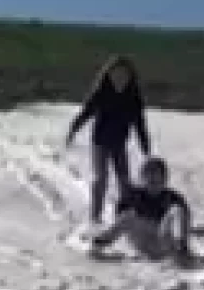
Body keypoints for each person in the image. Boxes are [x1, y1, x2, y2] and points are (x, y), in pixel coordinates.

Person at [65, 55, 152, 225]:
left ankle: (125, 215)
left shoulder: (134, 98)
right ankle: (95, 217)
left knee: (124, 180)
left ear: (130, 77)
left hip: (119, 143)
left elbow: (140, 124)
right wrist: (73, 130)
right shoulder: (101, 93)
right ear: (109, 75)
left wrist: (145, 148)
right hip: (100, 142)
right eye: (116, 74)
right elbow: (85, 113)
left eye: (124, 75)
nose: (120, 79)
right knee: (101, 179)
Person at [89, 155, 193, 262]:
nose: (153, 181)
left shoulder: (173, 197)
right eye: (149, 177)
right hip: (140, 241)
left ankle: (182, 252)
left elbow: (184, 218)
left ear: (165, 179)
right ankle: (99, 244)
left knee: (177, 211)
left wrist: (183, 241)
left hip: (162, 243)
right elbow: (119, 222)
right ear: (143, 178)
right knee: (128, 216)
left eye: (157, 177)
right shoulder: (133, 196)